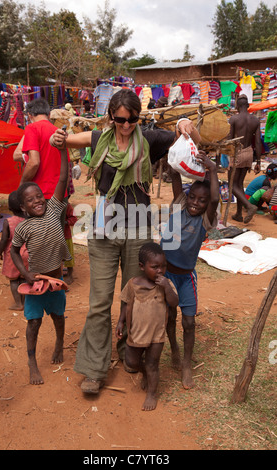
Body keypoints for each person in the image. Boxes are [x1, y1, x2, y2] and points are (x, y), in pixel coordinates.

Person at [50, 88, 200, 395]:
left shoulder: (149, 140)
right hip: (105, 229)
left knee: (138, 296)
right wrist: (57, 138)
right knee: (99, 301)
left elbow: (190, 139)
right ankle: (94, 368)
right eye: (120, 119)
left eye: (132, 119)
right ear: (111, 117)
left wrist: (185, 122)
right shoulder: (98, 139)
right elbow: (65, 140)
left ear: (138, 117)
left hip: (138, 231)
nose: (126, 125)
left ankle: (130, 348)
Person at [10, 147, 71, 385]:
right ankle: (32, 362)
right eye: (30, 200)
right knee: (34, 323)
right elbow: (14, 251)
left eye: (39, 196)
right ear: (23, 207)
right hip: (35, 284)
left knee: (58, 316)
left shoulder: (54, 210)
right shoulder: (23, 227)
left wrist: (62, 151)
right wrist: (25, 274)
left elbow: (62, 178)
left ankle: (59, 345)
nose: (37, 201)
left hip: (56, 280)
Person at [161, 151, 219, 390]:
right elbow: (175, 176)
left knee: (189, 322)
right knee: (169, 317)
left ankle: (186, 364)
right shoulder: (178, 207)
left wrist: (213, 170)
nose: (196, 202)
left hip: (186, 278)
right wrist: (176, 154)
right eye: (192, 197)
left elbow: (215, 199)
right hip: (165, 276)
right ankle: (173, 347)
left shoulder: (205, 220)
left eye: (201, 200)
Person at [116, 242, 179, 411]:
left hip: (156, 336)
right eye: (155, 267)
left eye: (163, 266)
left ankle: (152, 393)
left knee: (152, 364)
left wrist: (166, 287)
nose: (160, 271)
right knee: (132, 362)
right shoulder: (133, 284)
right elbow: (126, 304)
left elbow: (174, 303)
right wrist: (120, 322)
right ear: (142, 266)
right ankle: (144, 373)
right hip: (136, 334)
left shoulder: (166, 285)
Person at [228, 94, 262, 224]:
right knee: (239, 184)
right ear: (248, 106)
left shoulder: (234, 119)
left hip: (237, 152)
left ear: (237, 106)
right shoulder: (255, 120)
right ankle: (238, 214)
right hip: (249, 152)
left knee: (232, 185)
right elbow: (258, 142)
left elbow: (230, 139)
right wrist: (258, 161)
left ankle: (249, 206)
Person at [0, 191, 28, 311]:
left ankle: (18, 303)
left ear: (9, 207)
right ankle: (26, 303)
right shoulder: (30, 220)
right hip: (27, 254)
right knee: (24, 278)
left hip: (12, 255)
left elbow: (4, 239)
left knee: (14, 280)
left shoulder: (8, 222)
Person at [63, 202, 78, 285]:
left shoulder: (67, 206)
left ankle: (70, 275)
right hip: (53, 236)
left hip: (66, 235)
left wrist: (65, 222)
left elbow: (74, 219)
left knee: (69, 257)